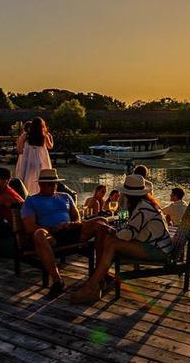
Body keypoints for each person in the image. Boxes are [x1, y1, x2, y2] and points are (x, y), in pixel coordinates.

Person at [70, 174, 173, 304]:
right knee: (109, 239)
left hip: (159, 250)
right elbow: (130, 229)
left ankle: (92, 286)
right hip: (152, 243)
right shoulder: (143, 204)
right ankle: (99, 278)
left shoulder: (143, 208)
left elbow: (129, 234)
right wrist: (111, 230)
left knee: (112, 243)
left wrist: (109, 229)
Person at [21, 168, 109, 299]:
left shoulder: (65, 196)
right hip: (51, 235)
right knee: (39, 234)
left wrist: (72, 224)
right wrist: (52, 228)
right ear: (41, 184)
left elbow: (77, 218)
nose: (54, 186)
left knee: (102, 222)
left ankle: (100, 271)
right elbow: (29, 227)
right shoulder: (32, 201)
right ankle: (57, 280)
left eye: (55, 183)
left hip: (72, 230)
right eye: (50, 184)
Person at [15, 117, 53, 194]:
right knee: (41, 179)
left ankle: (27, 195)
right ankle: (41, 194)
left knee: (27, 179)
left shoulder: (25, 135)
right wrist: (50, 137)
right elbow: (50, 146)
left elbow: (19, 150)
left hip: (28, 161)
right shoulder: (44, 136)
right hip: (41, 161)